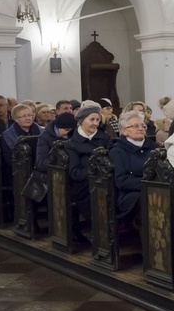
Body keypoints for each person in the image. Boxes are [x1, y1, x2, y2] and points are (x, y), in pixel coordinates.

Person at [65, 101, 110, 243]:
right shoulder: (72, 143)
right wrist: (96, 172)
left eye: (97, 119)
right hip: (83, 185)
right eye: (92, 119)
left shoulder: (104, 138)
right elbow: (75, 172)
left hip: (106, 181)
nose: (95, 123)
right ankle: (101, 237)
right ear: (82, 121)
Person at [109, 110, 158, 225]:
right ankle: (148, 239)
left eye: (142, 125)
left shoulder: (154, 148)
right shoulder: (117, 151)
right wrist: (149, 184)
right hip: (130, 194)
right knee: (149, 198)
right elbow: (122, 181)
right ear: (125, 131)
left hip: (157, 189)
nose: (141, 128)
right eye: (136, 126)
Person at [1, 104, 43, 172]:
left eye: (30, 115)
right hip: (18, 170)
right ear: (16, 119)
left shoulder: (39, 130)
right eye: (24, 116)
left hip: (39, 168)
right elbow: (9, 159)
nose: (28, 118)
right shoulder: (8, 135)